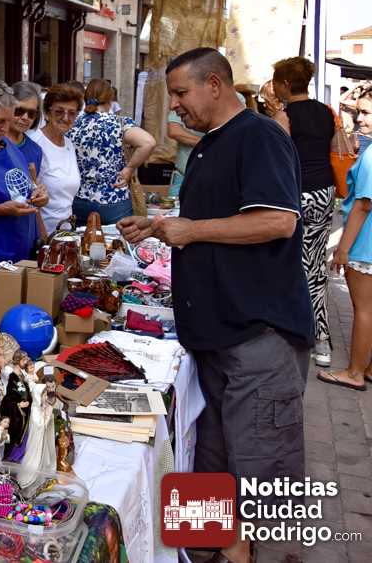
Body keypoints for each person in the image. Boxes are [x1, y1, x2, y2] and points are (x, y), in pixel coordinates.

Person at [119, 48, 312, 563]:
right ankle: (201, 551)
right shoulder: (211, 144)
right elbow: (212, 222)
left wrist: (192, 230)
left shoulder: (260, 136)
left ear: (214, 84)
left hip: (257, 336)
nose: (174, 105)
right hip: (216, 336)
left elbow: (278, 221)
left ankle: (238, 553)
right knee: (210, 460)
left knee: (256, 470)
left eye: (180, 93)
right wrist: (161, 227)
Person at [272, 56, 336, 367]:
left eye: (276, 82)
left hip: (295, 194)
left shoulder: (283, 115)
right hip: (324, 191)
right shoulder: (325, 112)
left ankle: (289, 330)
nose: (273, 87)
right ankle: (321, 340)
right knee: (315, 265)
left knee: (286, 262)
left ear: (285, 84)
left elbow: (277, 155)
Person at [319, 103, 372, 390]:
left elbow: (363, 206)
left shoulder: (371, 156)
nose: (360, 118)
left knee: (364, 310)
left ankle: (354, 372)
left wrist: (342, 249)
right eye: (360, 112)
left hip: (364, 244)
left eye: (367, 113)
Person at [0, 79, 48, 267]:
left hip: (23, 252)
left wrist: (38, 194)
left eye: (8, 120)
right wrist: (0, 209)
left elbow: (25, 187)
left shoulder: (9, 147)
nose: (5, 128)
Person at [67, 78, 155, 225]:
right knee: (118, 238)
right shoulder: (119, 123)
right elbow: (148, 142)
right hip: (114, 199)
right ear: (110, 100)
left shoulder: (73, 124)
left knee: (83, 238)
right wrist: (129, 168)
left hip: (79, 200)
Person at [30, 83, 83, 234]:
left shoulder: (69, 144)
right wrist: (43, 238)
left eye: (72, 113)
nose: (66, 118)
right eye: (59, 112)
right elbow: (30, 198)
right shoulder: (35, 143)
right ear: (47, 113)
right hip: (42, 235)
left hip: (65, 232)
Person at [167, 110, 203, 197]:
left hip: (215, 177)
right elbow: (174, 131)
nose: (173, 104)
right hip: (183, 175)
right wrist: (207, 143)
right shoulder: (180, 103)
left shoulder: (231, 103)